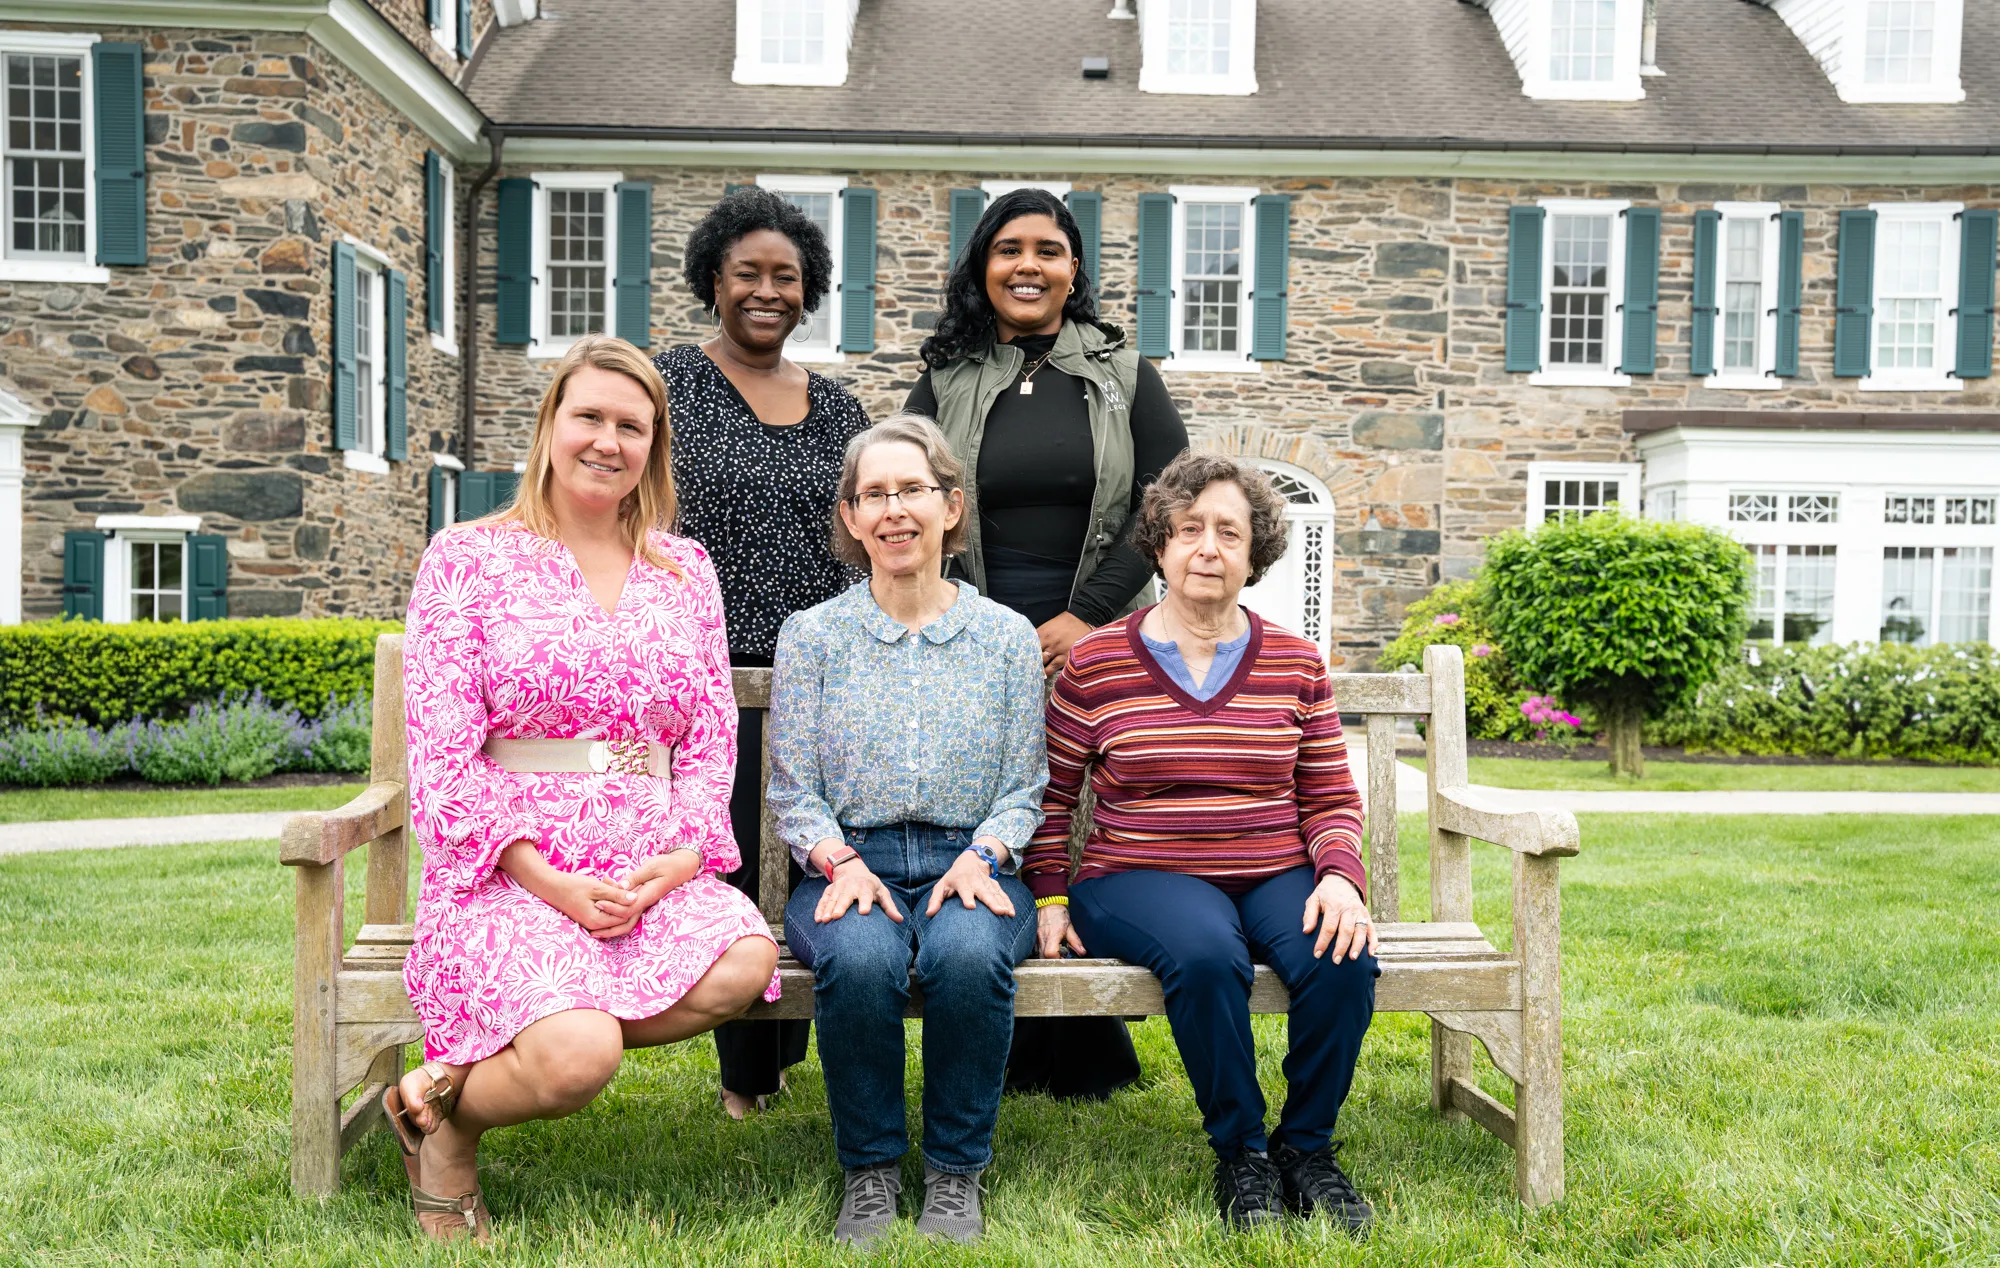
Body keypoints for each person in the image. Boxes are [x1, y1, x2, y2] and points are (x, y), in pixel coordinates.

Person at [386, 335, 782, 1243]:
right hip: (508, 865)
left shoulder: (686, 572)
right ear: (550, 427)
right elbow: (442, 758)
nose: (608, 441)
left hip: (645, 858)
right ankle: (450, 1130)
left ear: (654, 445)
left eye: (631, 426)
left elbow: (712, 738)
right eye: (590, 418)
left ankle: (447, 1083)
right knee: (577, 1059)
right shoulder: (467, 559)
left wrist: (682, 858)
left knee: (746, 960)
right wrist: (546, 880)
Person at [1022, 450, 1379, 1235]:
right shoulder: (1097, 662)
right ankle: (1242, 1153)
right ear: (1160, 545)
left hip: (1274, 868)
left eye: (1229, 532)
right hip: (1136, 876)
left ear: (1256, 554)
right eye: (1189, 530)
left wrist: (1341, 878)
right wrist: (1048, 893)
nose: (1208, 548)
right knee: (1208, 954)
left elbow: (1327, 795)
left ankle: (1307, 1149)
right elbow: (1050, 799)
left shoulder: (1294, 662)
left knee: (1341, 957)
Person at [907, 187, 1187, 1101]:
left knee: (1082, 821)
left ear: (1074, 271)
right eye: (1009, 249)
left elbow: (1171, 504)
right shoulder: (943, 380)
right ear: (982, 268)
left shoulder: (1125, 374)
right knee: (988, 815)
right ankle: (1002, 1030)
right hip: (964, 631)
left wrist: (1087, 616)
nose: (1028, 265)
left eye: (1050, 250)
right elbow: (906, 498)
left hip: (1095, 631)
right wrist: (970, 623)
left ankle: (1086, 1038)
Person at [768, 415, 1048, 1247]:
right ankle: (872, 1172)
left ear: (951, 506)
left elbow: (1026, 785)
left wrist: (985, 854)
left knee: (966, 956)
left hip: (976, 862)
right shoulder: (813, 636)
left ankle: (956, 1175)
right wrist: (839, 861)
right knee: (857, 960)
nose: (895, 510)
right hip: (852, 863)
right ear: (851, 517)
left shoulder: (1004, 637)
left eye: (913, 490)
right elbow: (792, 789)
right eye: (874, 494)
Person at [656, 186, 871, 1120]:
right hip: (713, 678)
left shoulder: (840, 409)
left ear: (809, 288)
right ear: (714, 280)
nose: (767, 290)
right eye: (748, 272)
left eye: (787, 275)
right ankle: (746, 1076)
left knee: (817, 857)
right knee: (738, 862)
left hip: (824, 677)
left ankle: (792, 1056)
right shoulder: (665, 387)